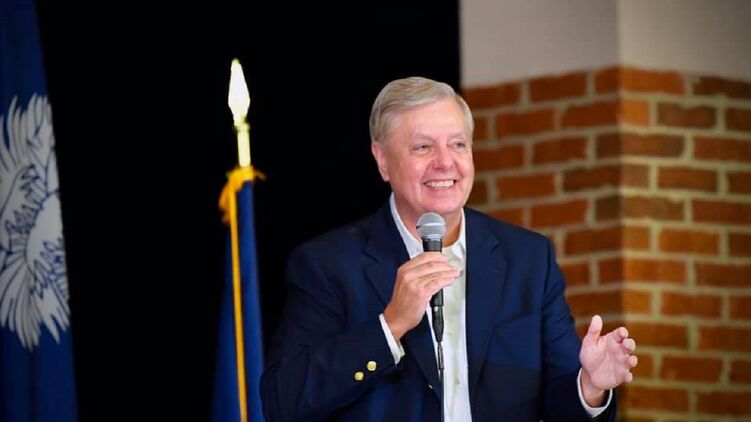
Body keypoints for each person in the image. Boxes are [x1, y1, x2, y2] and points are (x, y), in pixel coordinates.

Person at [260, 76, 637, 421]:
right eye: (423, 147)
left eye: (457, 144)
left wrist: (590, 386)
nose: (444, 163)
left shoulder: (527, 259)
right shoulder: (329, 264)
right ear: (382, 160)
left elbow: (560, 404)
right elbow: (282, 400)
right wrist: (389, 326)